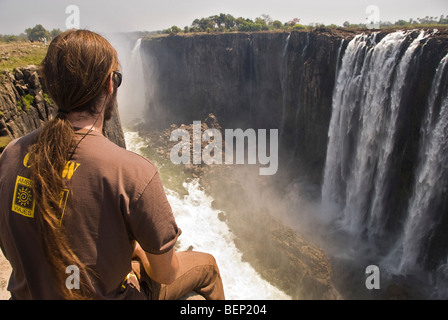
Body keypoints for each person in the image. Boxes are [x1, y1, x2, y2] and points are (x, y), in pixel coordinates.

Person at [0, 29, 225, 300]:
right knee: (208, 266)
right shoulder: (132, 172)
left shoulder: (10, 155)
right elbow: (167, 273)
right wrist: (139, 251)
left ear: (50, 86)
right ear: (110, 84)